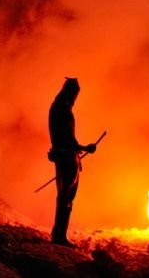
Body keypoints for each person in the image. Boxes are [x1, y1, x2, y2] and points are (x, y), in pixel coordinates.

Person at [48, 77, 96, 247]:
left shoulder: (58, 107)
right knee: (66, 198)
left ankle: (58, 233)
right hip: (67, 158)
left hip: (64, 156)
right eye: (76, 94)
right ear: (72, 92)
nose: (76, 98)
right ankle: (59, 236)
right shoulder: (62, 110)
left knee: (64, 197)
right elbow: (67, 139)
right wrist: (85, 147)